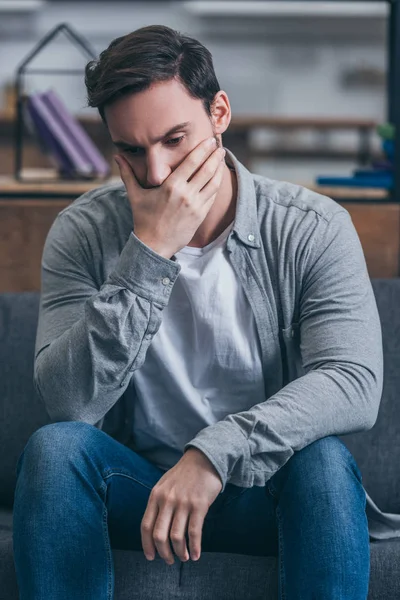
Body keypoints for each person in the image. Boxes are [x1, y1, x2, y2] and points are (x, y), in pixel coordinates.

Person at [12, 24, 383, 599]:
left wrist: (212, 454)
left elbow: (353, 381)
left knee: (326, 464)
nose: (158, 173)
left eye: (175, 139)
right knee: (55, 450)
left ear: (220, 113)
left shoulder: (312, 227)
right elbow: (70, 404)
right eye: (132, 150)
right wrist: (150, 252)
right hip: (141, 493)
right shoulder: (83, 232)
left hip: (266, 491)